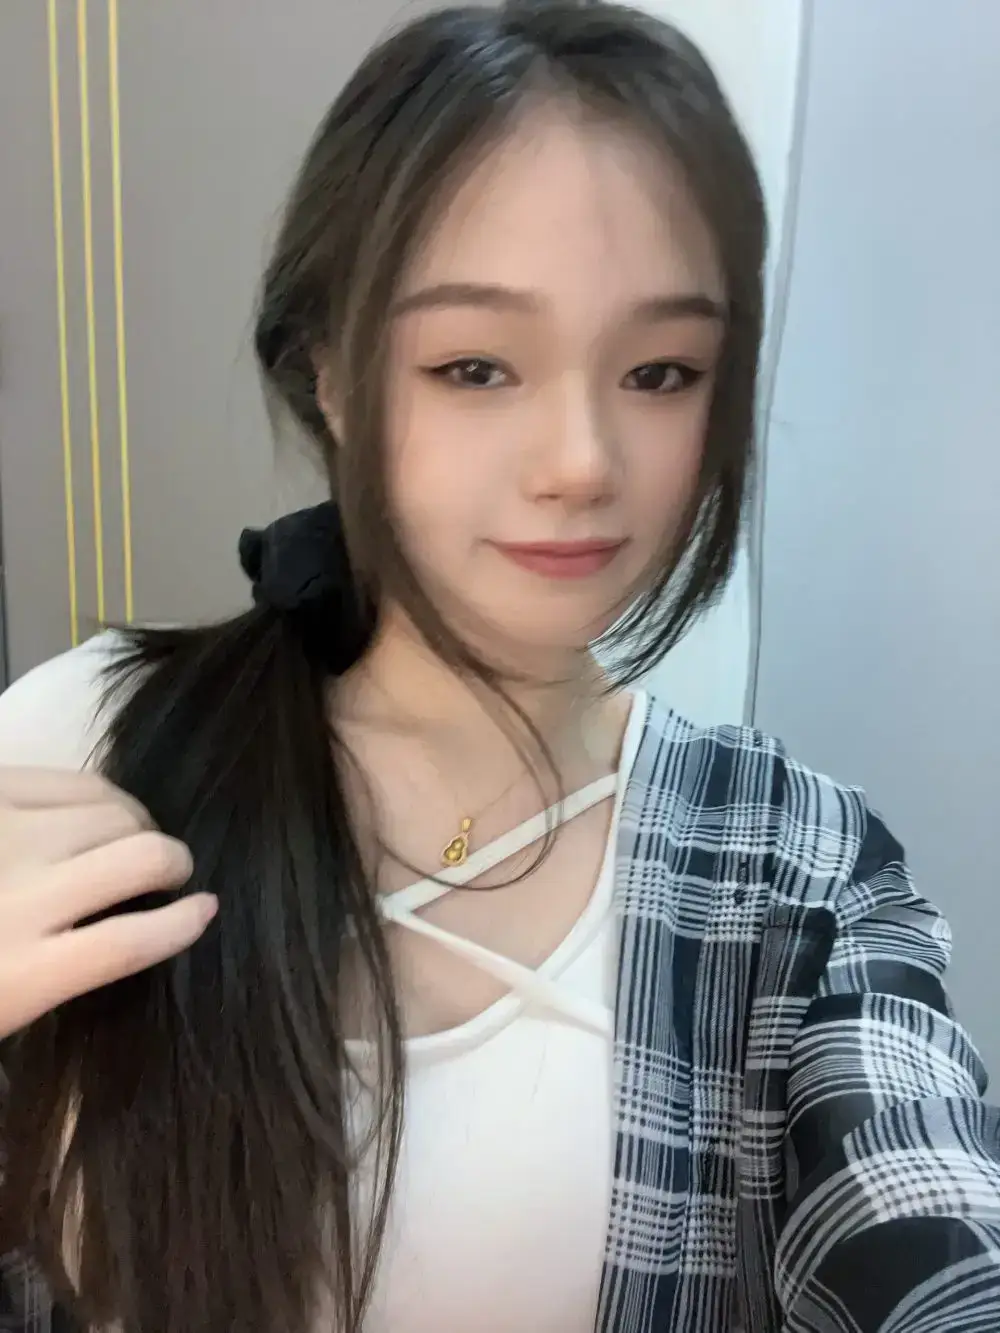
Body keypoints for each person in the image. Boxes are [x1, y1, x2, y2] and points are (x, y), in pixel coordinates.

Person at [1, 1, 998, 1329]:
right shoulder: (85, 744)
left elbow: (929, 1235)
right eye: (475, 367)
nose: (581, 461)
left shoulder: (798, 871)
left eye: (661, 372)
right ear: (331, 377)